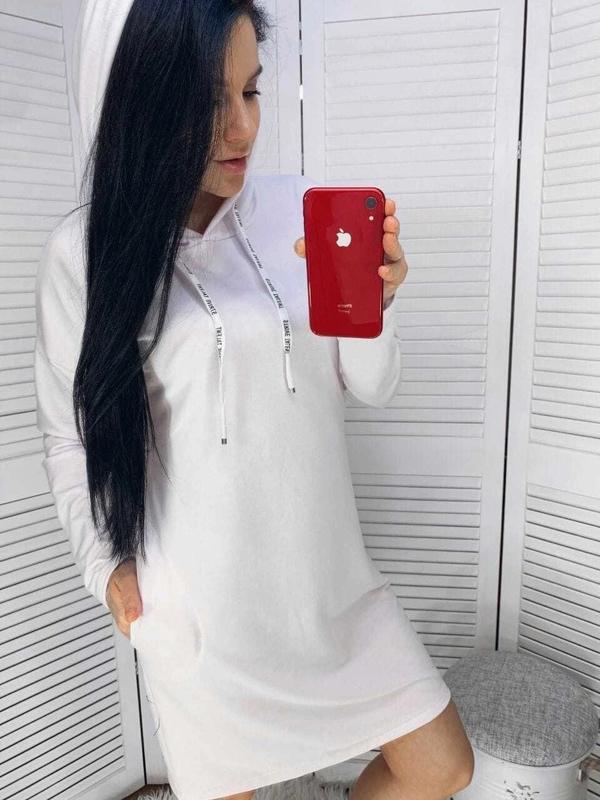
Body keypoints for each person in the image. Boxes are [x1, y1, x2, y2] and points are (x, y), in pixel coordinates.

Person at [33, 1, 474, 798]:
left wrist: (375, 305)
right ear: (143, 102)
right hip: (205, 617)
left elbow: (373, 385)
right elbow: (71, 438)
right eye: (209, 102)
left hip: (332, 590)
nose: (242, 128)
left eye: (252, 91)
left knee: (442, 765)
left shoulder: (298, 211)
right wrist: (107, 570)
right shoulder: (84, 256)